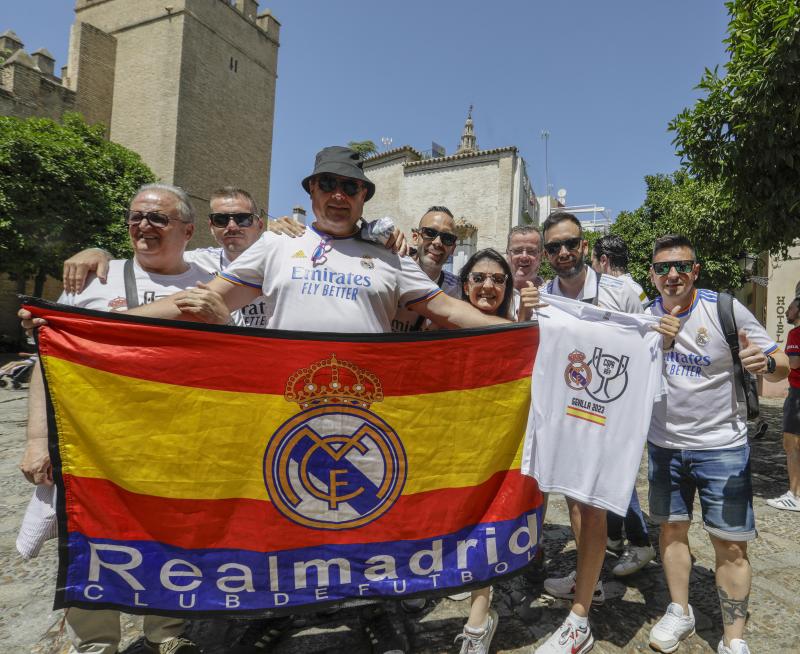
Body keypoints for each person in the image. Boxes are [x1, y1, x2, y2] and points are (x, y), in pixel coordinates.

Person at [18, 183, 211, 654]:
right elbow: (48, 360)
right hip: (93, 440)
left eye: (158, 218)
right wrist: (38, 440)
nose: (144, 226)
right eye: (136, 216)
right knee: (89, 533)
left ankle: (166, 633)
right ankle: (96, 641)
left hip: (176, 440)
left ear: (187, 231)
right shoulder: (91, 282)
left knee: (174, 534)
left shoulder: (211, 281)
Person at [645, 235, 788, 654]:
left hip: (722, 446)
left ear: (695, 271)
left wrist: (767, 363)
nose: (672, 275)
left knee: (730, 544)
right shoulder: (644, 316)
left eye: (681, 266)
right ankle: (679, 610)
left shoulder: (725, 308)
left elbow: (781, 363)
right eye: (663, 268)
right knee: (672, 530)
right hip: (664, 445)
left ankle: (733, 639)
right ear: (652, 275)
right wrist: (661, 343)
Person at [521, 212, 650, 654]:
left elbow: (649, 345)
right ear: (546, 254)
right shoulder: (544, 297)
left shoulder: (622, 292)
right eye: (553, 247)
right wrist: (526, 312)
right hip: (566, 411)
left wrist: (666, 337)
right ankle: (587, 578)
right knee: (574, 500)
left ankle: (579, 620)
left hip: (606, 413)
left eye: (570, 243)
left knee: (592, 505)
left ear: (585, 246)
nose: (563, 252)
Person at [449, 248, 514, 654]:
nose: (488, 285)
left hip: (497, 444)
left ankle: (479, 620)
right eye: (479, 277)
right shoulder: (442, 322)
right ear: (465, 283)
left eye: (498, 279)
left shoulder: (519, 331)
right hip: (449, 438)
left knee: (487, 525)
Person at [590, 233, 656, 576]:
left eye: (592, 260)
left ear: (603, 260)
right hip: (624, 387)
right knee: (609, 468)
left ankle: (640, 541)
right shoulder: (636, 289)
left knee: (614, 471)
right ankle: (613, 537)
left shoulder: (610, 289)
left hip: (613, 389)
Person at [391, 205, 461, 332]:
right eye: (430, 233)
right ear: (415, 238)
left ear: (453, 248)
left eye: (447, 238)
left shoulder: (457, 289)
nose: (437, 242)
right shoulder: (391, 271)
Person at [766, 295, 800, 511]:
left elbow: (794, 362)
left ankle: (795, 495)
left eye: (791, 308)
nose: (787, 312)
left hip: (798, 393)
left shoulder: (796, 333)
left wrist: (775, 361)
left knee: (792, 444)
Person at [591, 234, 648, 305]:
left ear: (603, 260)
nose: (591, 267)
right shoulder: (637, 288)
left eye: (592, 262)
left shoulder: (610, 293)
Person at [506, 225, 545, 315]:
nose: (524, 256)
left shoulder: (553, 294)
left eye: (531, 251)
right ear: (508, 254)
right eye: (517, 250)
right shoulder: (495, 294)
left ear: (541, 256)